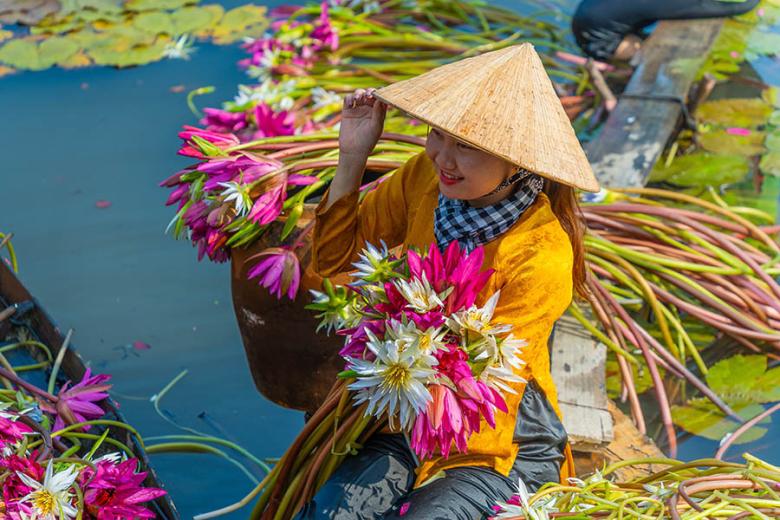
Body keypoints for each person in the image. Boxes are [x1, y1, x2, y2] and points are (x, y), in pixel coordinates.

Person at [299, 43, 600, 519]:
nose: (443, 156)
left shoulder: (541, 252)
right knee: (329, 513)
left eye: (467, 146)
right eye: (438, 133)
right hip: (406, 413)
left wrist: (402, 334)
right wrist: (353, 155)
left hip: (498, 440)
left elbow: (489, 382)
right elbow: (335, 259)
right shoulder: (425, 178)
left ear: (517, 162)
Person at [572, 0, 760, 61]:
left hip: (588, 17)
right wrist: (751, 4)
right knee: (647, 55)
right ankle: (620, 68)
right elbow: (706, 9)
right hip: (598, 41)